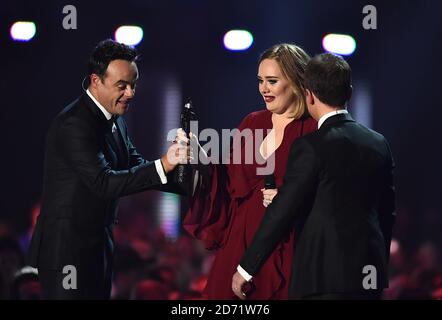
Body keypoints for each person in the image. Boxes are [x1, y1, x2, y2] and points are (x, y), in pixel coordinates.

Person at [28, 39, 189, 299]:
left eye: (133, 85)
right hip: (66, 252)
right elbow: (103, 183)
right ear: (95, 81)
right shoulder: (75, 125)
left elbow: (136, 164)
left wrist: (188, 180)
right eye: (122, 86)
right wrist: (164, 164)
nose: (131, 93)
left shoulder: (114, 119)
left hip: (97, 246)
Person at [232, 53, 396, 300]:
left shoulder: (310, 145)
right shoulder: (378, 143)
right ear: (349, 92)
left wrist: (246, 268)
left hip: (322, 278)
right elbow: (386, 213)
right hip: (369, 278)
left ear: (308, 94)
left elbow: (283, 211)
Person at [184, 44, 317, 299]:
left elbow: (327, 192)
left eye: (272, 81)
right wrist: (200, 156)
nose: (263, 88)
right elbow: (228, 182)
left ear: (296, 81)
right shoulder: (252, 122)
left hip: (284, 243)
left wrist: (287, 199)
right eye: (260, 81)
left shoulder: (312, 128)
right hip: (238, 245)